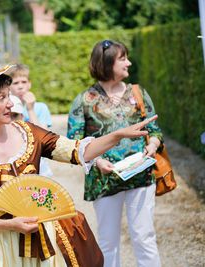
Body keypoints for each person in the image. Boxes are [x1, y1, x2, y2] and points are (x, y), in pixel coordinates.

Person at [0, 65, 157, 266]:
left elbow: (77, 151)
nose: (10, 103)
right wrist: (10, 224)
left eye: (8, 95)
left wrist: (117, 136)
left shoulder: (28, 133)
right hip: (1, 242)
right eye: (2, 98)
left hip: (46, 233)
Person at [67, 40, 163, 267]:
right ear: (107, 62)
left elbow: (155, 130)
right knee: (108, 243)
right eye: (122, 58)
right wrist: (98, 160)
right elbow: (75, 142)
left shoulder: (138, 93)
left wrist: (153, 146)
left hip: (140, 175)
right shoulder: (84, 100)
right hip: (103, 180)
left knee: (145, 237)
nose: (128, 62)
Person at [9, 64, 53, 177]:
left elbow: (43, 138)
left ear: (29, 84)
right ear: (8, 87)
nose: (20, 86)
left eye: (23, 82)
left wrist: (30, 110)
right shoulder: (7, 109)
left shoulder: (40, 107)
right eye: (15, 83)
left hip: (39, 163)